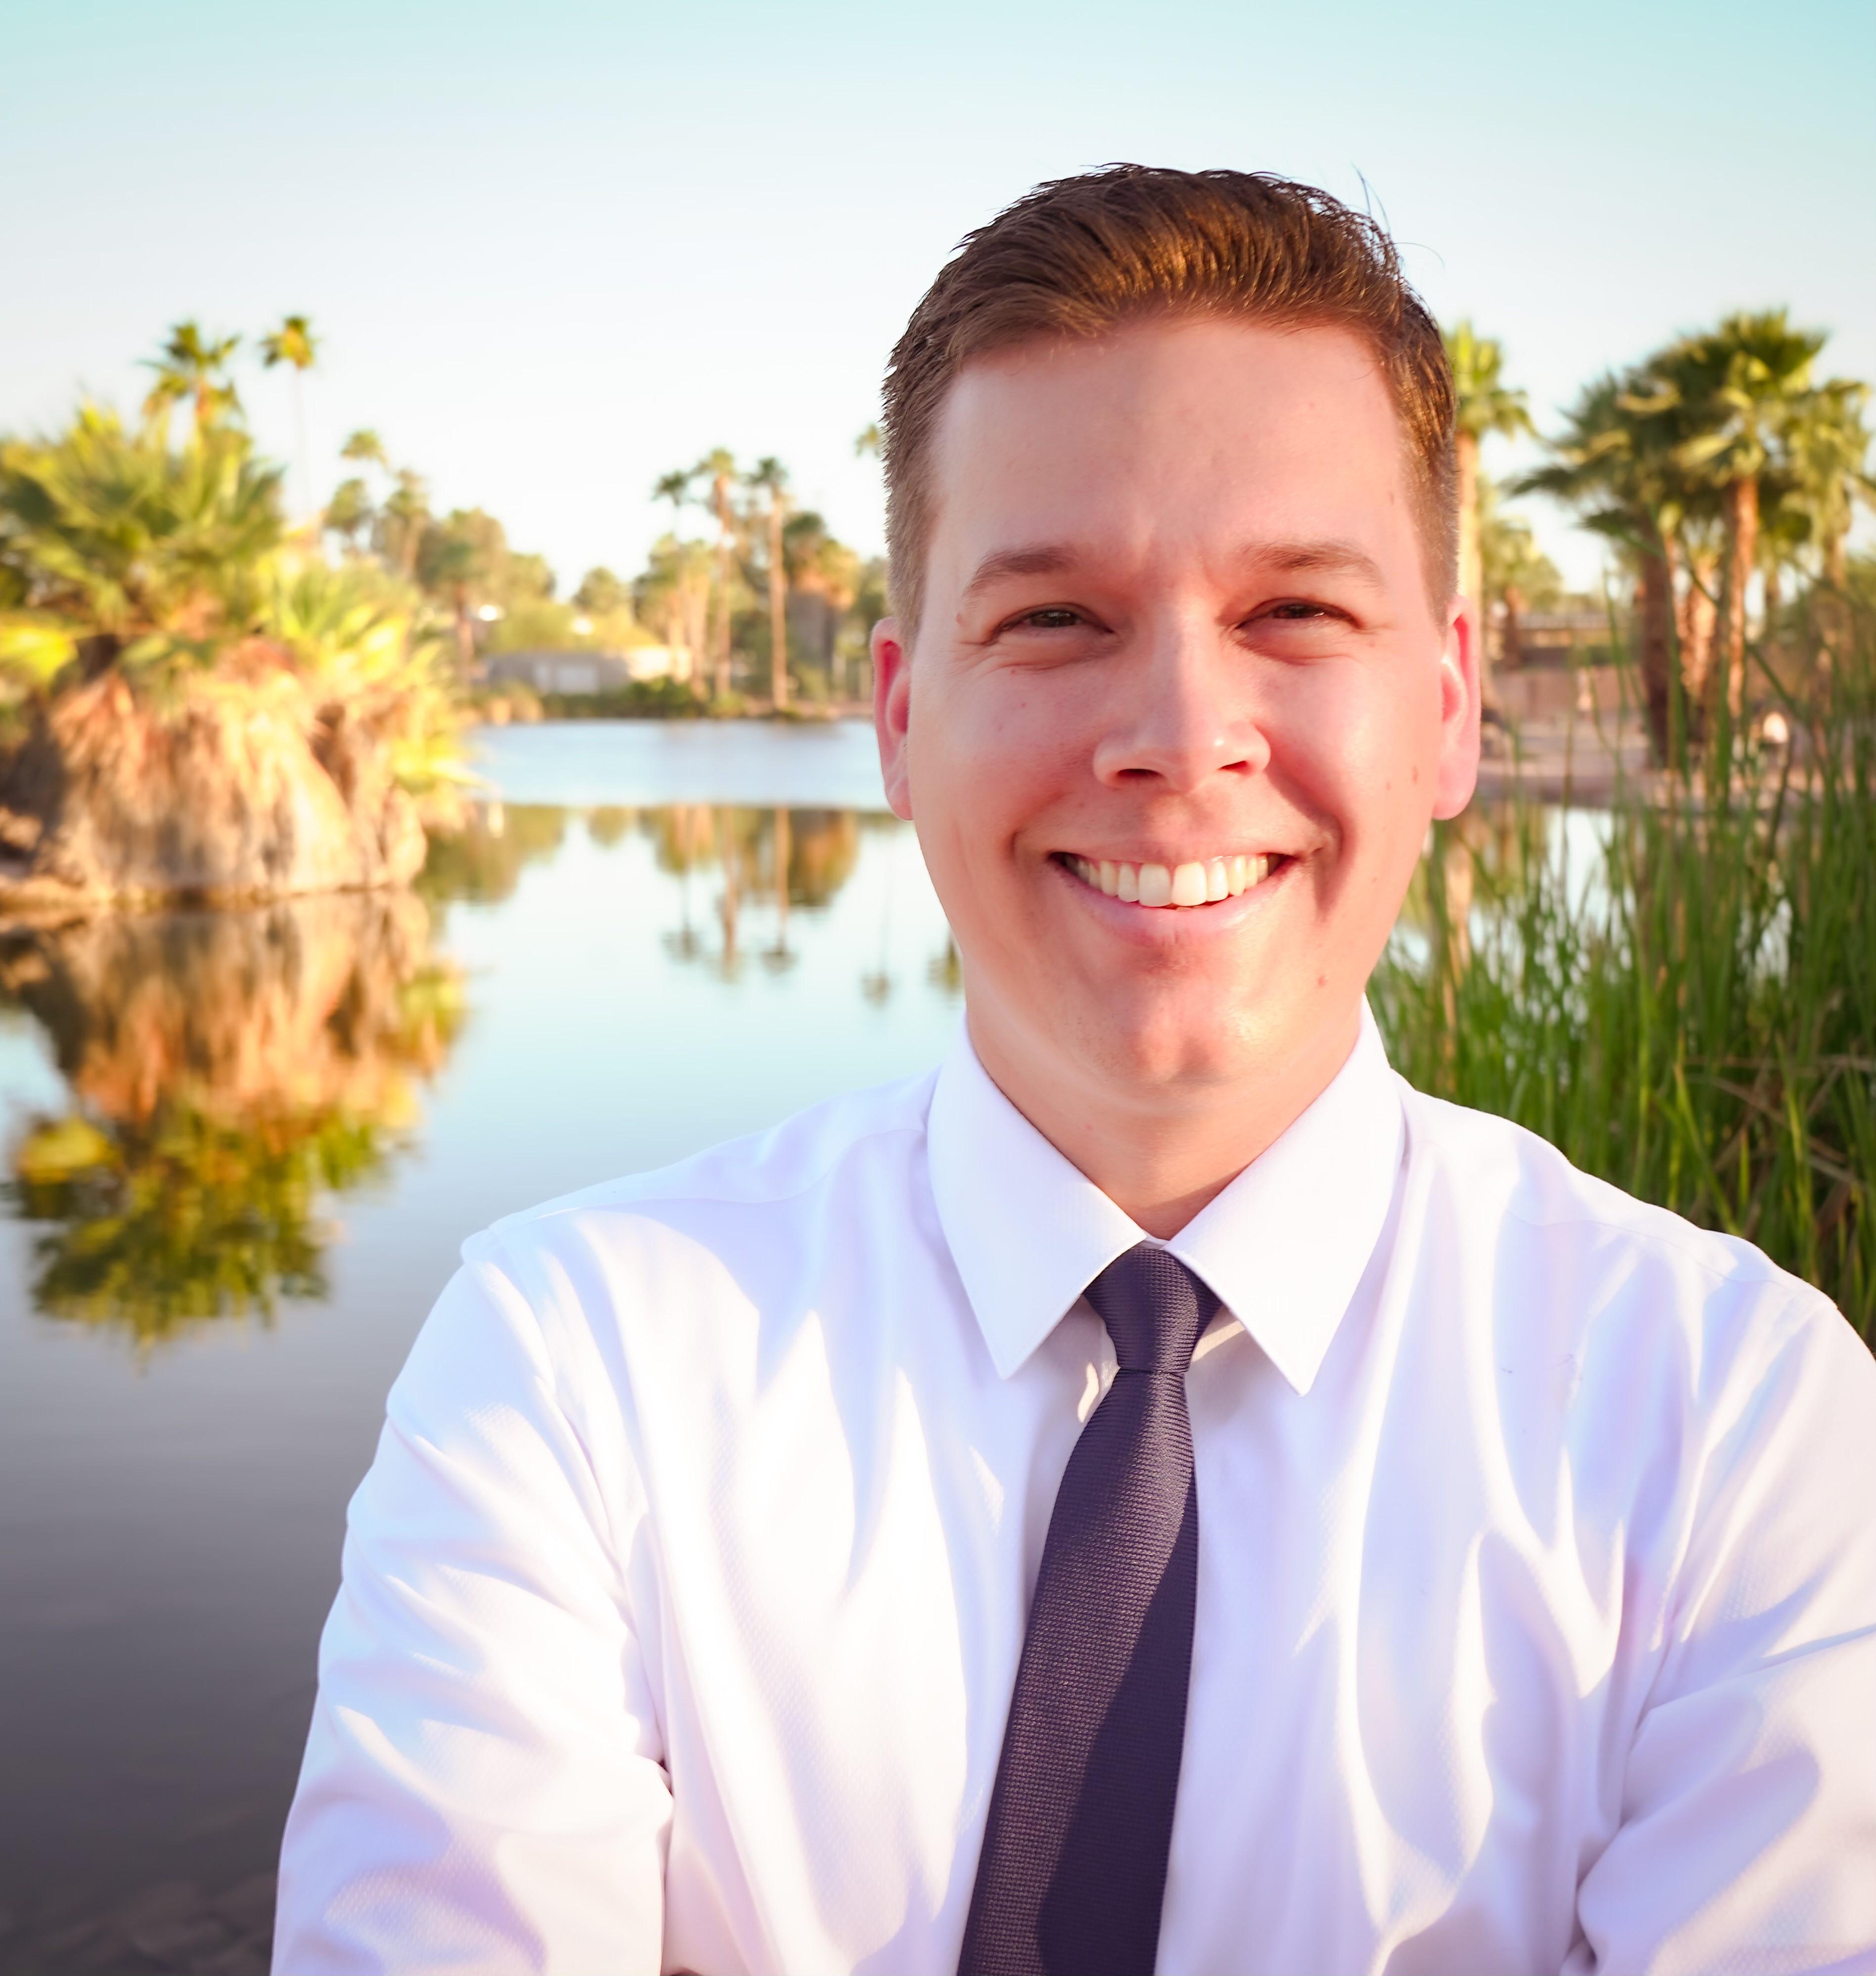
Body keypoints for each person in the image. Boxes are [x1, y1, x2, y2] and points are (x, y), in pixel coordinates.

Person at [273, 168, 1876, 1976]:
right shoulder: (579, 1368)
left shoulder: (1736, 1429)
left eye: (1293, 614)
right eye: (1051, 620)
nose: (1178, 738)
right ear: (898, 719)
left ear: (1442, 710)